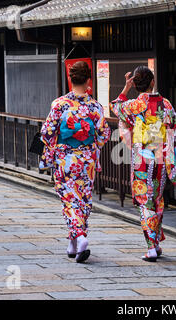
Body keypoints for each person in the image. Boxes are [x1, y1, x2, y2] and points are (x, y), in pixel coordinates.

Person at [110, 66, 176, 262]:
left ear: (137, 85)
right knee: (157, 200)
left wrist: (125, 89)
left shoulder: (134, 105)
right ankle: (156, 244)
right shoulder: (165, 104)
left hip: (142, 160)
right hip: (162, 160)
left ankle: (150, 248)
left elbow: (116, 107)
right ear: (152, 82)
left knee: (144, 201)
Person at [39, 61, 110, 263]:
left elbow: (47, 132)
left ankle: (80, 237)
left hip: (65, 160)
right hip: (87, 160)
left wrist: (59, 143)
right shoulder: (95, 106)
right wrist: (89, 144)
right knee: (83, 199)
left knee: (70, 200)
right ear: (88, 80)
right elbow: (104, 134)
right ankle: (73, 244)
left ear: (70, 79)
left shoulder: (60, 104)